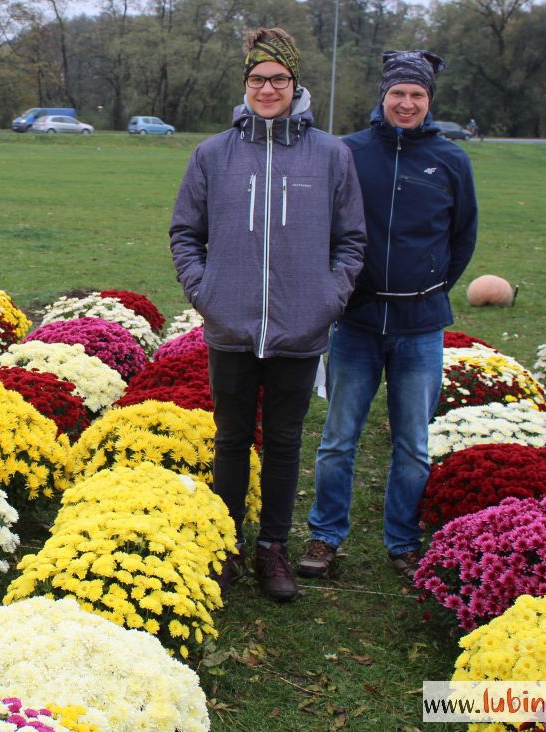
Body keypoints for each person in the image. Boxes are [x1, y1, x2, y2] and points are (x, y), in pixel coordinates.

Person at [170, 27, 367, 602]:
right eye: (258, 78)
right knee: (232, 438)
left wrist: (327, 300)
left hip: (300, 329)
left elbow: (351, 240)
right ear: (245, 83)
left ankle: (271, 549)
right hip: (229, 325)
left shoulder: (330, 154)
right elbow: (185, 233)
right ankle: (227, 544)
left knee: (283, 441)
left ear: (295, 84)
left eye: (279, 79)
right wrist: (205, 293)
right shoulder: (213, 154)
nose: (267, 89)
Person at [300, 50, 478, 582]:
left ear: (429, 100)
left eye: (417, 94)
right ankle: (325, 536)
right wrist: (343, 291)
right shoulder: (348, 152)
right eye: (398, 93)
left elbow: (462, 236)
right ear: (383, 97)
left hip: (420, 326)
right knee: (338, 439)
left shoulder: (451, 160)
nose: (406, 102)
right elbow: (324, 228)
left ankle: (402, 542)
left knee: (413, 445)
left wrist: (429, 285)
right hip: (356, 322)